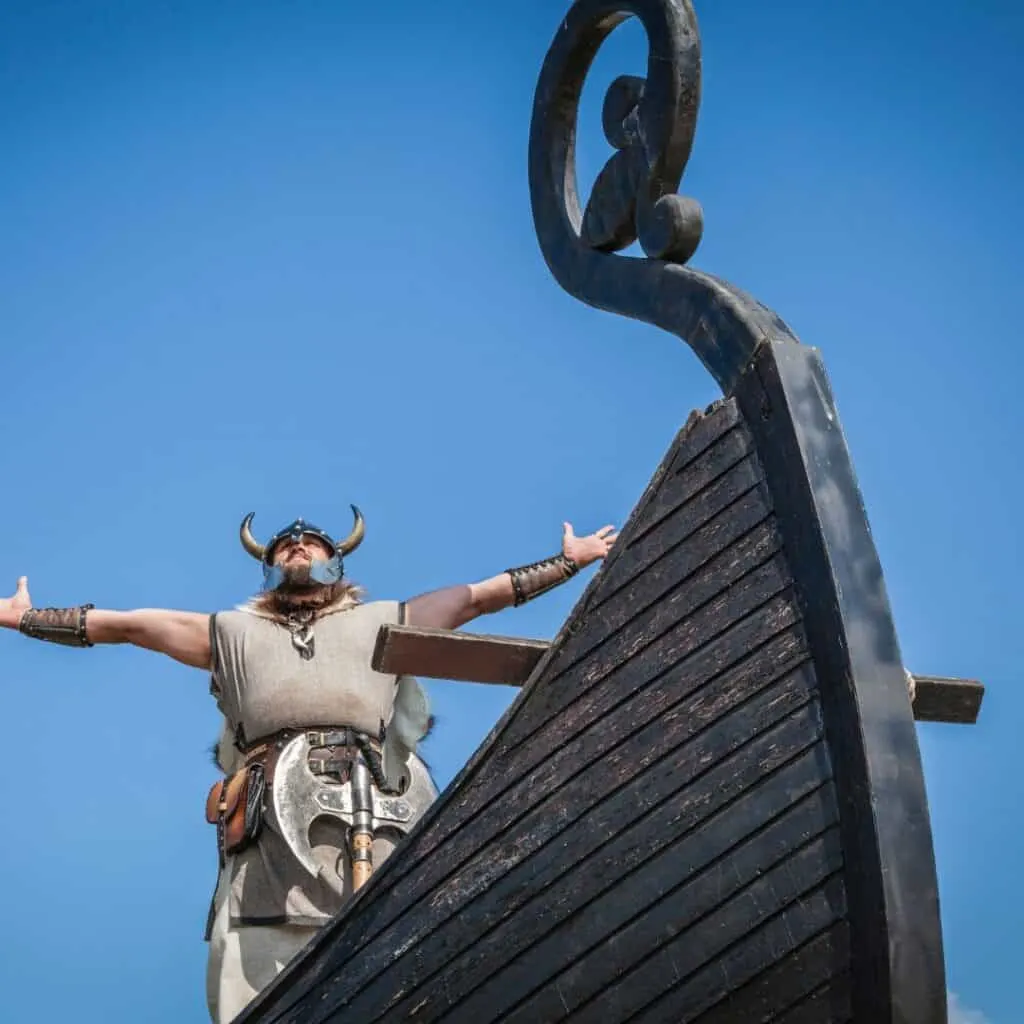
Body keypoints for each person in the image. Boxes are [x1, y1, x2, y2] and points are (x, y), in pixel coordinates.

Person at [0, 506, 617, 1022]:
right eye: (287, 546)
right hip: (270, 824)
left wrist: (570, 560)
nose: (298, 546)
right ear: (270, 568)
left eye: (312, 541)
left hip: (384, 809)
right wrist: (24, 619)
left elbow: (478, 598)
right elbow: (129, 626)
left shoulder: (386, 619)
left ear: (335, 559)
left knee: (405, 947)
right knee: (261, 958)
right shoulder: (229, 633)